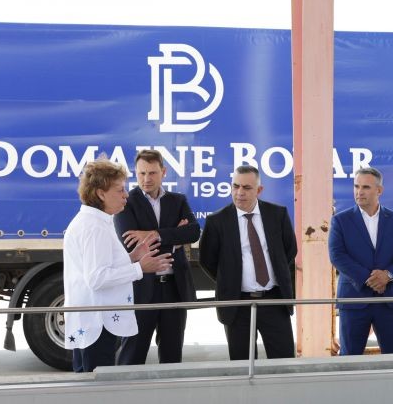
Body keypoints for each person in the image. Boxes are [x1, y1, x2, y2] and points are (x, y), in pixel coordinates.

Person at [63, 157, 172, 372]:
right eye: (120, 190)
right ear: (101, 194)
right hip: (97, 324)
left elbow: (101, 265)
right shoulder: (95, 227)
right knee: (97, 387)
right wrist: (140, 268)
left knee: (88, 382)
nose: (126, 195)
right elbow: (97, 278)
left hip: (92, 322)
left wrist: (132, 257)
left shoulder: (95, 221)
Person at [199, 165, 297, 360]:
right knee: (242, 364)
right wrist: (231, 280)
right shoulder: (217, 221)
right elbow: (207, 260)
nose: (239, 193)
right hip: (237, 304)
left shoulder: (277, 214)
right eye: (235, 186)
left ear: (259, 190)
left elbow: (289, 250)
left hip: (274, 301)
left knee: (284, 361)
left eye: (246, 187)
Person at [114, 150, 200, 365]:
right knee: (132, 355)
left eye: (152, 173)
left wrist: (154, 234)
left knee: (172, 355)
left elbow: (193, 232)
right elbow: (131, 244)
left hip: (174, 288)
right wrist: (175, 238)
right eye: (141, 173)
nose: (146, 179)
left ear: (163, 172)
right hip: (142, 289)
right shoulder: (126, 202)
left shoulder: (178, 200)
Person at [329, 167, 393, 355]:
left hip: (390, 299)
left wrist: (388, 276)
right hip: (354, 298)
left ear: (379, 190)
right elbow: (337, 256)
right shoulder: (340, 221)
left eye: (365, 187)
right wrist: (371, 279)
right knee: (350, 357)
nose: (359, 192)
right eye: (356, 186)